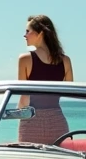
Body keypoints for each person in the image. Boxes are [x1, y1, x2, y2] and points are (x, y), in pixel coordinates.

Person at [17, 14, 73, 144]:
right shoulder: (65, 61)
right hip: (58, 123)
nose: (24, 35)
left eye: (27, 31)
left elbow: (24, 99)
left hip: (31, 123)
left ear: (40, 33)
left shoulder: (25, 59)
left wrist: (14, 114)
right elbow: (70, 90)